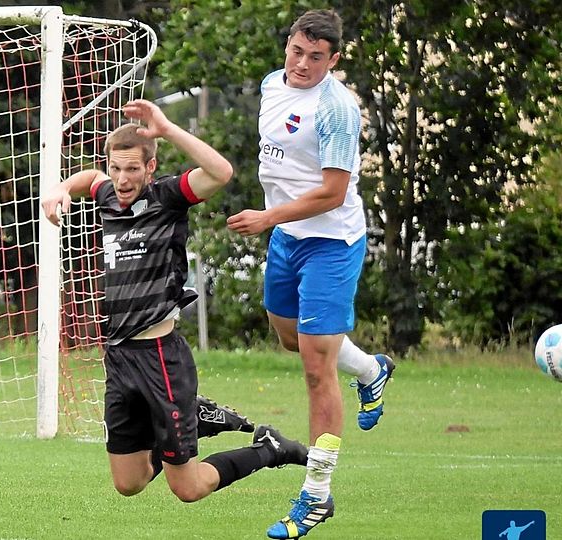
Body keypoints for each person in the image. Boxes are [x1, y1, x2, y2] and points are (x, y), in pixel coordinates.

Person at [41, 99, 307, 506]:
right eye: (116, 168)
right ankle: (194, 420)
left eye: (133, 169)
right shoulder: (108, 195)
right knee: (128, 482)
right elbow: (90, 178)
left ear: (149, 167)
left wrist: (167, 130)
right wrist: (61, 188)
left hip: (160, 358)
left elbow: (221, 172)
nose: (123, 179)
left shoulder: (167, 197)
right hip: (117, 356)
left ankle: (268, 448)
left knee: (188, 488)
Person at [226, 9, 394, 538]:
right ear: (288, 46)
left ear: (333, 59)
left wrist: (267, 216)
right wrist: (276, 223)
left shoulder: (338, 109)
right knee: (289, 338)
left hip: (331, 243)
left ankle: (316, 496)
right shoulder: (272, 84)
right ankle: (370, 369)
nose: (301, 64)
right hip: (287, 238)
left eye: (315, 57)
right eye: (296, 51)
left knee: (317, 369)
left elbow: (333, 192)